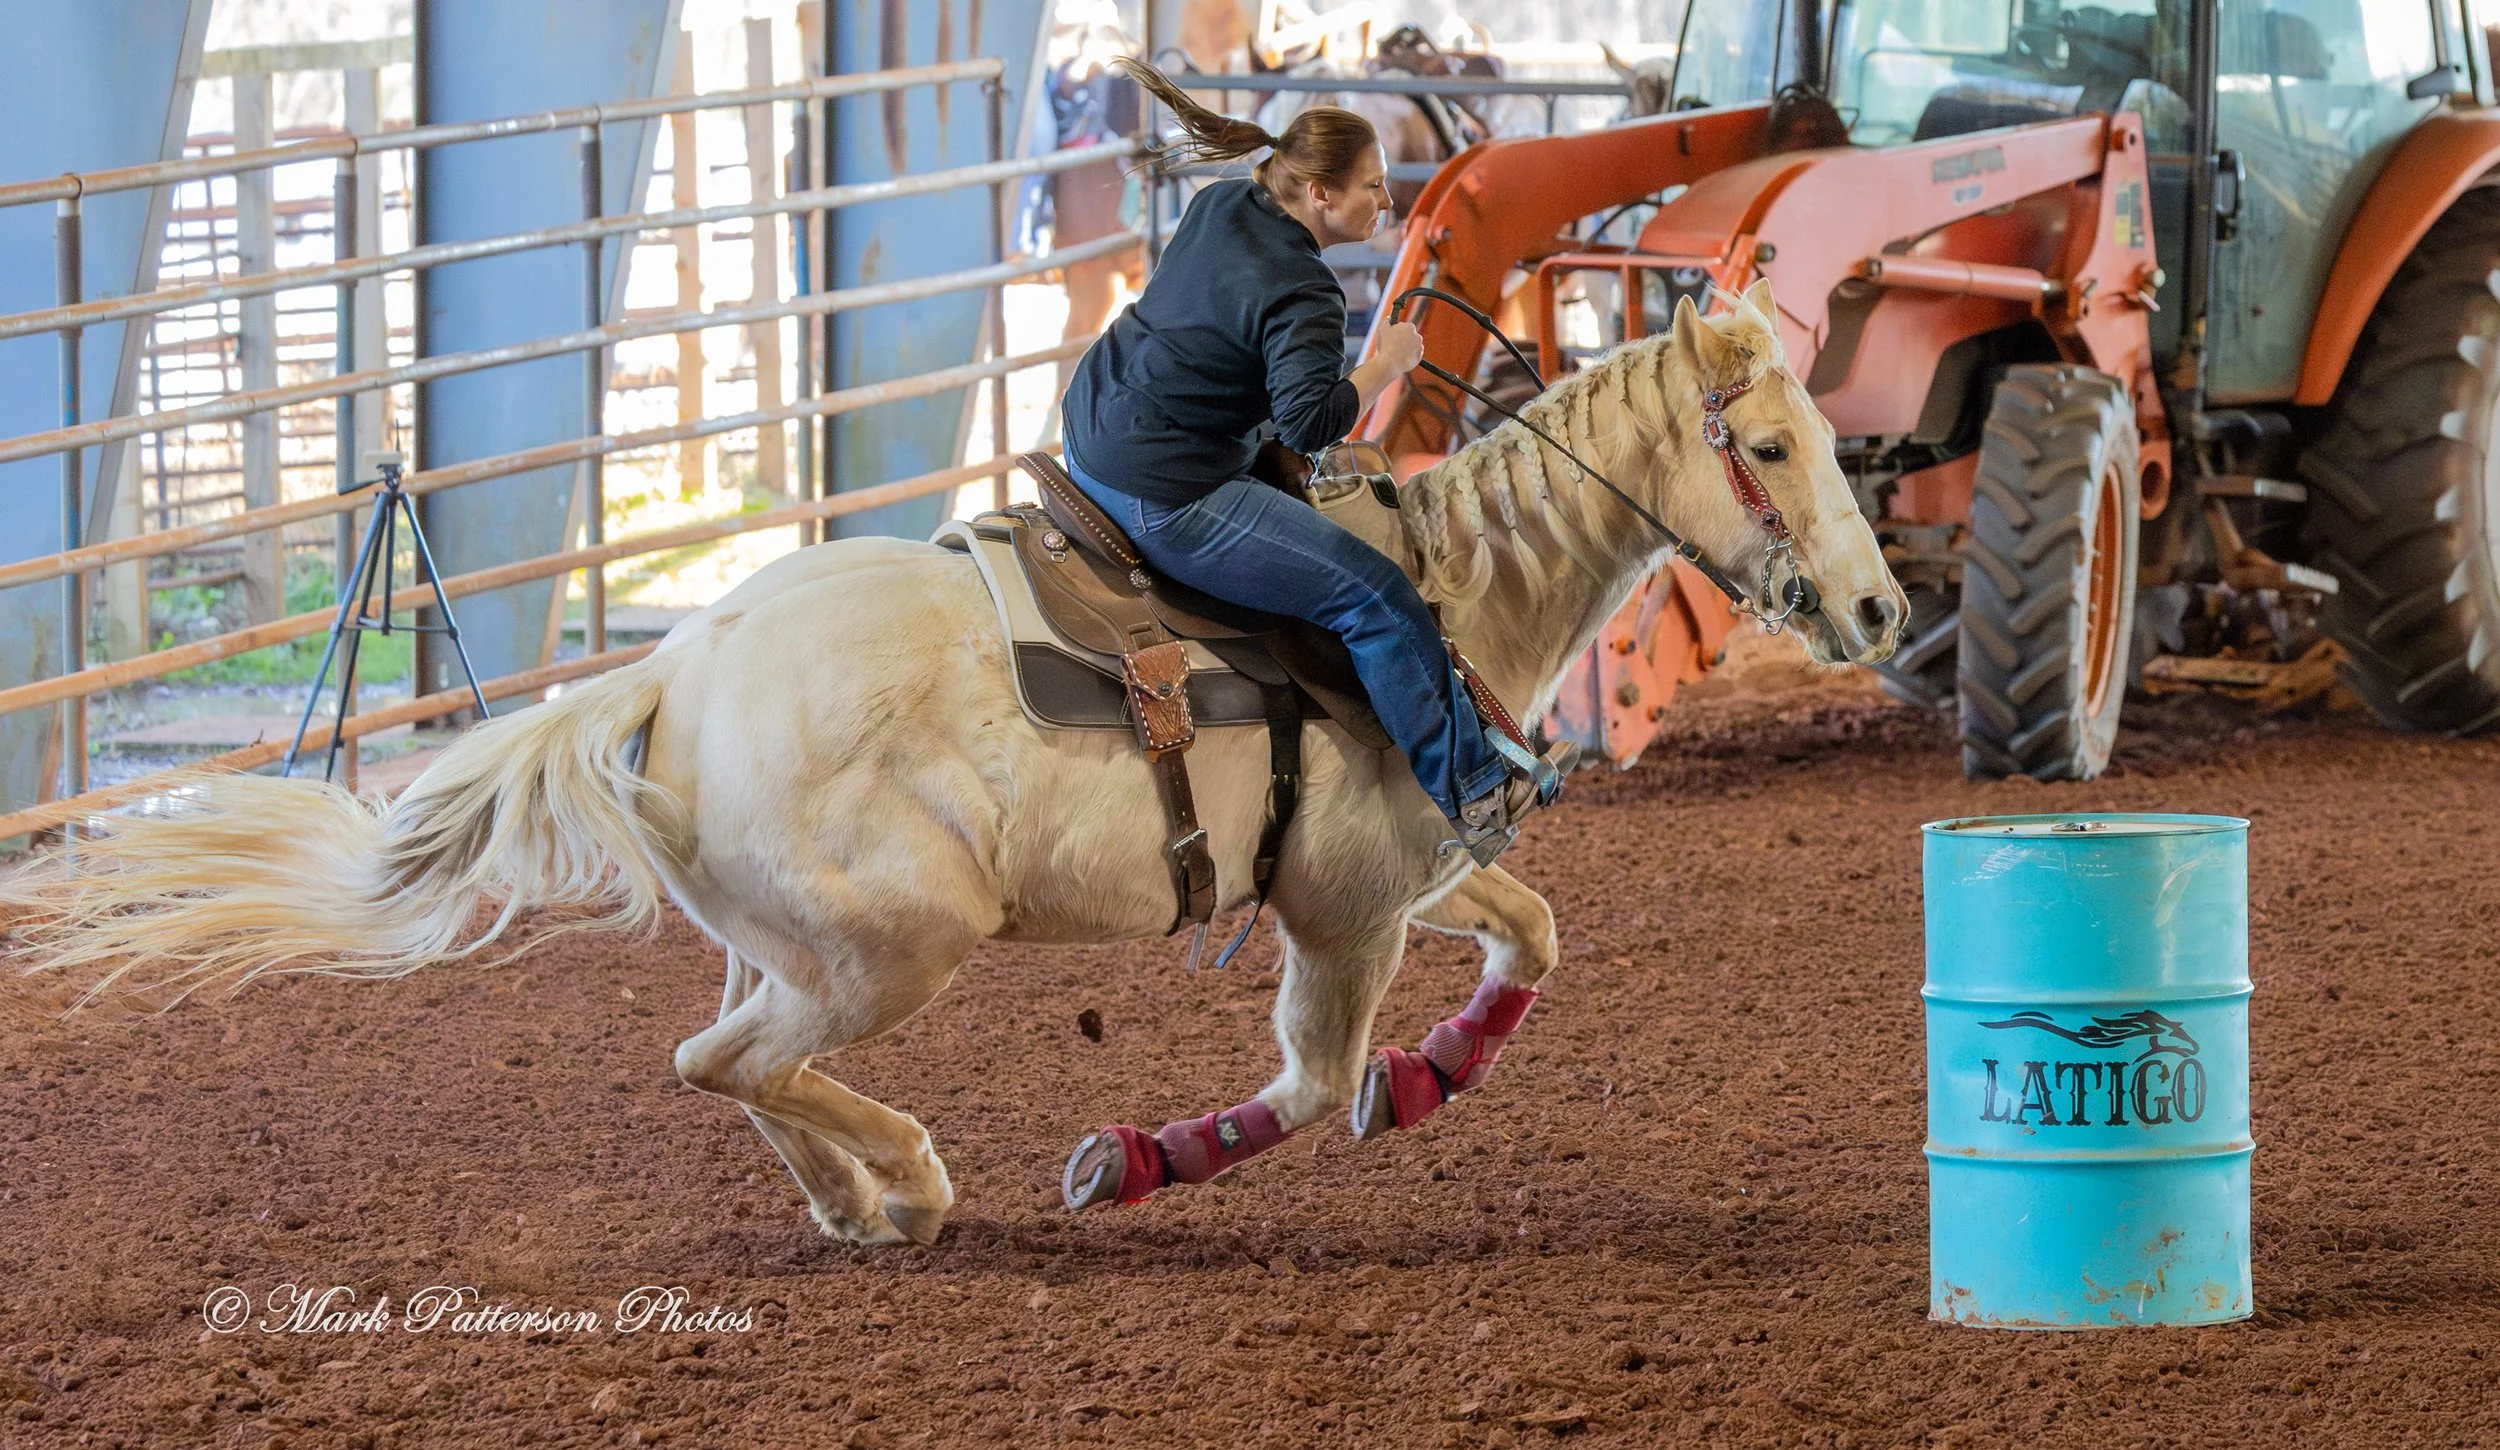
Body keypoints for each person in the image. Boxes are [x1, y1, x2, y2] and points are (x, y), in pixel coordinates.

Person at [1058, 58, 1573, 866]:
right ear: (1321, 195)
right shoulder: (1307, 290)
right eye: (1372, 186)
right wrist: (1386, 363)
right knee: (1373, 593)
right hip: (1167, 489)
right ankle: (1474, 789)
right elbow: (1308, 425)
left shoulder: (1221, 203)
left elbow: (1212, 331)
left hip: (1091, 433)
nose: (1386, 201)